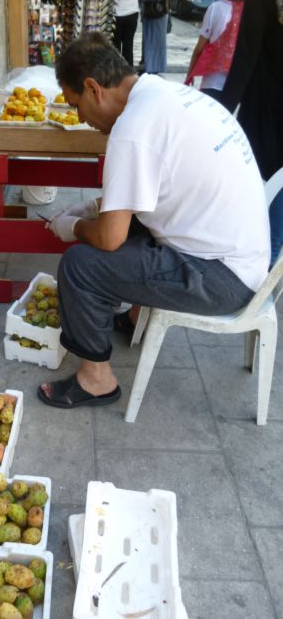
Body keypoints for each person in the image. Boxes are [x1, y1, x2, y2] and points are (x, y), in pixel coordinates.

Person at [37, 32, 270, 409]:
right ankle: (132, 319)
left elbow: (109, 240)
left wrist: (75, 227)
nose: (80, 118)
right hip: (245, 258)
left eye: (76, 104)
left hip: (222, 278)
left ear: (94, 88)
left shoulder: (132, 129)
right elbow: (156, 190)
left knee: (80, 267)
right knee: (132, 226)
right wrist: (96, 207)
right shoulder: (166, 95)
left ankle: (96, 380)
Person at [217, 0, 283, 266]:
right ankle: (264, 274)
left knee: (255, 191)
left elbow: (247, 53)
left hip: (265, 107)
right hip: (267, 107)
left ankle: (252, 271)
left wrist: (218, 113)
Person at [185, 0, 253, 98]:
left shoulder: (215, 9)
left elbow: (199, 49)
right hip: (237, 83)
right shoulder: (250, 12)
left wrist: (190, 75)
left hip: (212, 81)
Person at [113, 0, 145, 66]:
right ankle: (128, 71)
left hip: (117, 14)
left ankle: (116, 69)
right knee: (128, 45)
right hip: (132, 13)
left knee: (116, 46)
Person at [141, 0, 168, 74]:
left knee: (152, 41)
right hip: (158, 15)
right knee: (155, 42)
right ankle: (153, 66)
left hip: (155, 16)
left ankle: (152, 67)